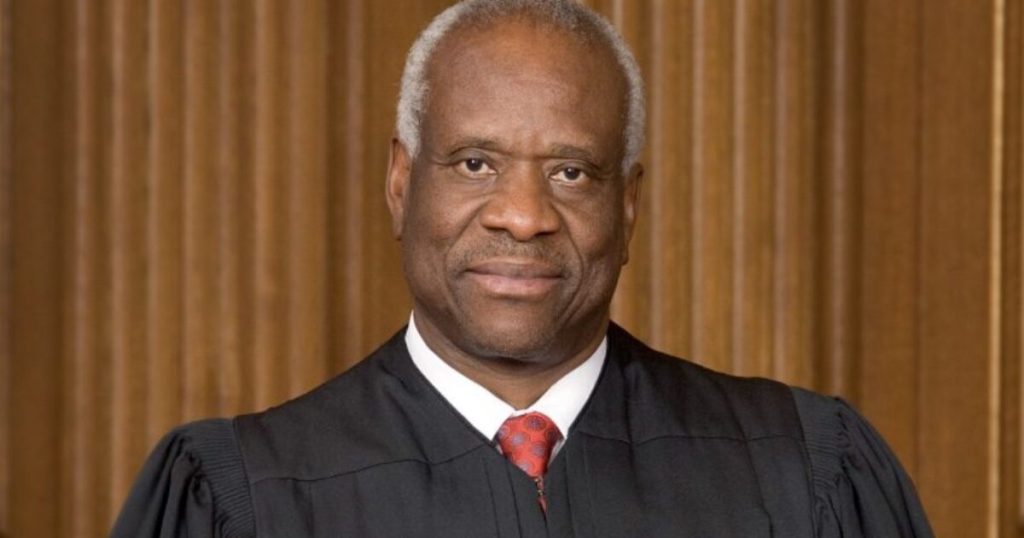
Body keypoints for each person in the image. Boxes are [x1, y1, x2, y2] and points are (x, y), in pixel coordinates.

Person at [112, 1, 934, 536]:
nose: (523, 214)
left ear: (628, 206)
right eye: (475, 163)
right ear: (401, 183)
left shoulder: (803, 477)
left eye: (571, 172)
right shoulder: (248, 500)